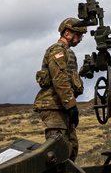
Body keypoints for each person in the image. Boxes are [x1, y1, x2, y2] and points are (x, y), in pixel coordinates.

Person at [33, 18, 86, 161]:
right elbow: (59, 80)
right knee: (58, 151)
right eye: (78, 35)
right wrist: (71, 105)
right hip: (54, 106)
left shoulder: (67, 53)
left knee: (71, 148)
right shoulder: (57, 51)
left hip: (62, 107)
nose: (80, 39)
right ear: (67, 33)